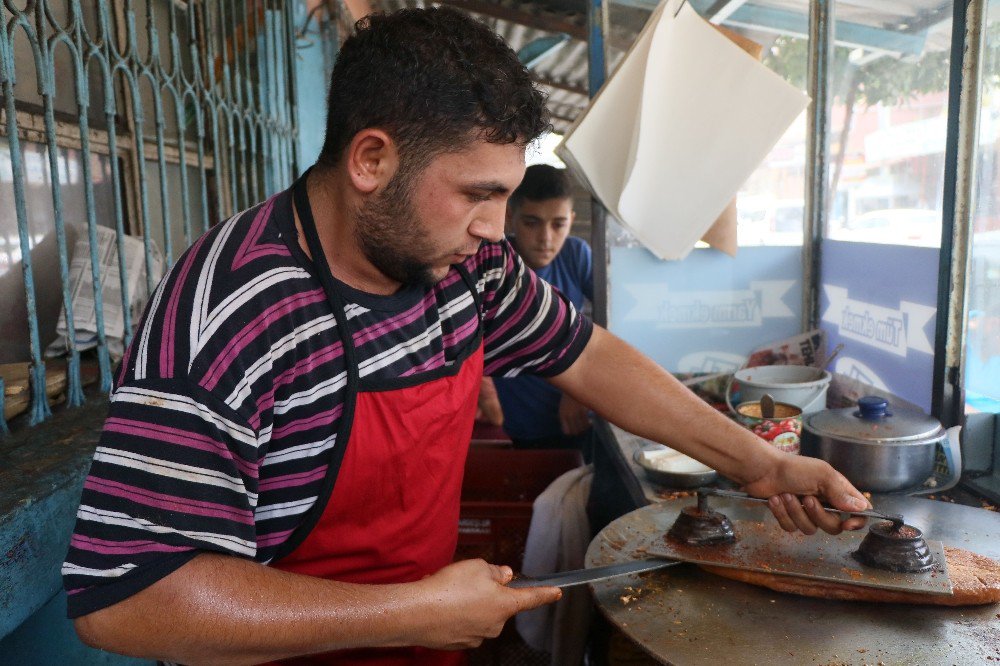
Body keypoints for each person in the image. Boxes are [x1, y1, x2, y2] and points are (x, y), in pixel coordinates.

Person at [63, 8, 870, 666]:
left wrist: (761, 463)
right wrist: (409, 611)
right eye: (477, 194)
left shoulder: (468, 270)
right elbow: (131, 599)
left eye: (507, 196)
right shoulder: (232, 311)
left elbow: (583, 352)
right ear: (372, 159)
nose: (495, 230)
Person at [490, 165, 594, 454]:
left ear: (571, 221)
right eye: (532, 223)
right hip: (528, 431)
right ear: (510, 217)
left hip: (584, 418)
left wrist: (578, 391)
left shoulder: (576, 255)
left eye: (558, 224)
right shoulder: (494, 265)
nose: (546, 238)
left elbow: (616, 315)